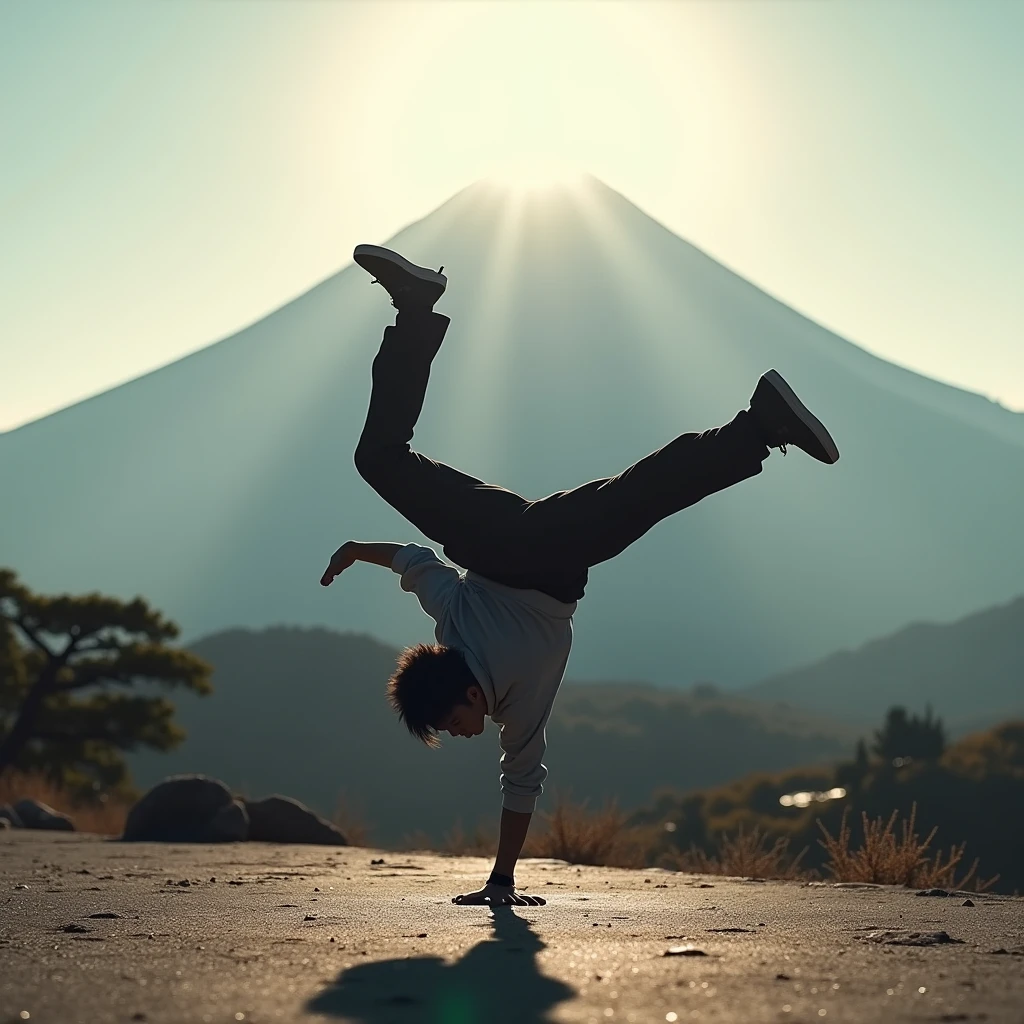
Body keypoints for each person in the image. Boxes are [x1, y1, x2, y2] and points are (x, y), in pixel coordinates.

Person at [321, 244, 840, 907]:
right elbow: (415, 561)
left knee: (639, 496)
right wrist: (356, 550)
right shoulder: (452, 623)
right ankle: (417, 310)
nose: (455, 736)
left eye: (449, 724)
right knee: (381, 459)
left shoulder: (517, 702)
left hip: (549, 557)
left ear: (471, 700)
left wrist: (502, 883)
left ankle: (758, 428)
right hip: (495, 535)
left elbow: (522, 781)